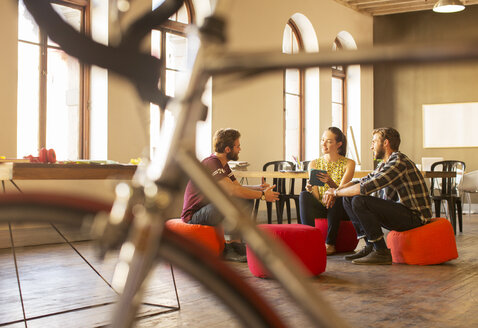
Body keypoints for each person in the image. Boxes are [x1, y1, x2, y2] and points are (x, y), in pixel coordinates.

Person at [323, 127, 432, 265]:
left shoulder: (398, 161)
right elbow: (362, 181)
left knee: (359, 200)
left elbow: (366, 187)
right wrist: (337, 190)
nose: (371, 146)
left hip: (415, 216)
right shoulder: (384, 164)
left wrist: (335, 193)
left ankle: (381, 251)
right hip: (402, 213)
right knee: (348, 197)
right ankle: (370, 246)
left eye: (374, 142)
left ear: (385, 143)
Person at [181, 128, 280, 262]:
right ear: (228, 149)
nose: (240, 149)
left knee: (247, 200)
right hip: (193, 216)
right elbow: (232, 191)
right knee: (229, 202)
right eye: (237, 146)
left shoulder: (223, 165)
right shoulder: (212, 163)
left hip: (209, 209)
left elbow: (237, 188)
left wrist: (257, 188)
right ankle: (226, 248)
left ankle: (236, 244)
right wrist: (262, 195)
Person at [299, 127, 355, 255]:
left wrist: (330, 182)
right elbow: (316, 195)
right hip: (321, 207)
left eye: (329, 141)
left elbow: (343, 190)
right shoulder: (314, 163)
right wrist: (309, 188)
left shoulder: (349, 163)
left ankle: (330, 244)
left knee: (335, 195)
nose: (323, 144)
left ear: (339, 144)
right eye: (322, 140)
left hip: (339, 208)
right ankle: (309, 240)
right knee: (304, 195)